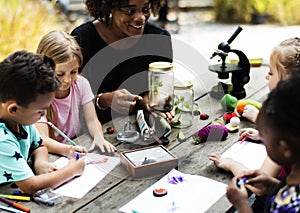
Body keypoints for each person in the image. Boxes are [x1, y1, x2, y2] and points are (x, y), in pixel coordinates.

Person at [209, 37, 300, 211]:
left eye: (271, 73)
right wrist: (273, 185)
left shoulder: (287, 206)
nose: (266, 76)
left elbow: (256, 189)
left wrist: (231, 165)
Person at [71, 0, 173, 124]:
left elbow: (157, 89)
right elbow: (71, 98)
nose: (141, 18)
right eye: (130, 11)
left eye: (145, 9)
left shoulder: (159, 39)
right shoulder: (83, 39)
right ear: (109, 7)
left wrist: (150, 100)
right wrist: (104, 100)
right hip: (92, 132)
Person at [0, 50, 85, 195]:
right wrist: (71, 170)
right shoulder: (2, 138)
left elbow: (38, 144)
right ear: (13, 109)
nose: (44, 115)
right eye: (40, 111)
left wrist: (42, 162)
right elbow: (31, 186)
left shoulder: (20, 118)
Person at [226, 72, 300, 212]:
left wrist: (242, 205)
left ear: (284, 148)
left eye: (265, 137)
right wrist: (274, 186)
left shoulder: (288, 206)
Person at [35, 30, 116, 153]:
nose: (67, 80)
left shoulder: (81, 84)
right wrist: (69, 150)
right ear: (44, 69)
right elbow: (43, 139)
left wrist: (99, 137)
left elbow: (92, 120)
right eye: (60, 74)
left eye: (73, 72)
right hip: (50, 153)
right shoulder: (38, 95)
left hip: (75, 146)